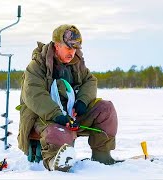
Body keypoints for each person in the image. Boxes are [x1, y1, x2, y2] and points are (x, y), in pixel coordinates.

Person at [17, 24, 121, 172]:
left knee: (106, 109)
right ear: (57, 45)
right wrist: (57, 115)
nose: (72, 52)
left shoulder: (77, 63)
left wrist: (82, 102)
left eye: (74, 48)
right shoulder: (36, 66)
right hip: (44, 116)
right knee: (58, 132)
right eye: (68, 48)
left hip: (71, 115)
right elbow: (34, 95)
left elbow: (90, 81)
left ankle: (102, 157)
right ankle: (55, 162)